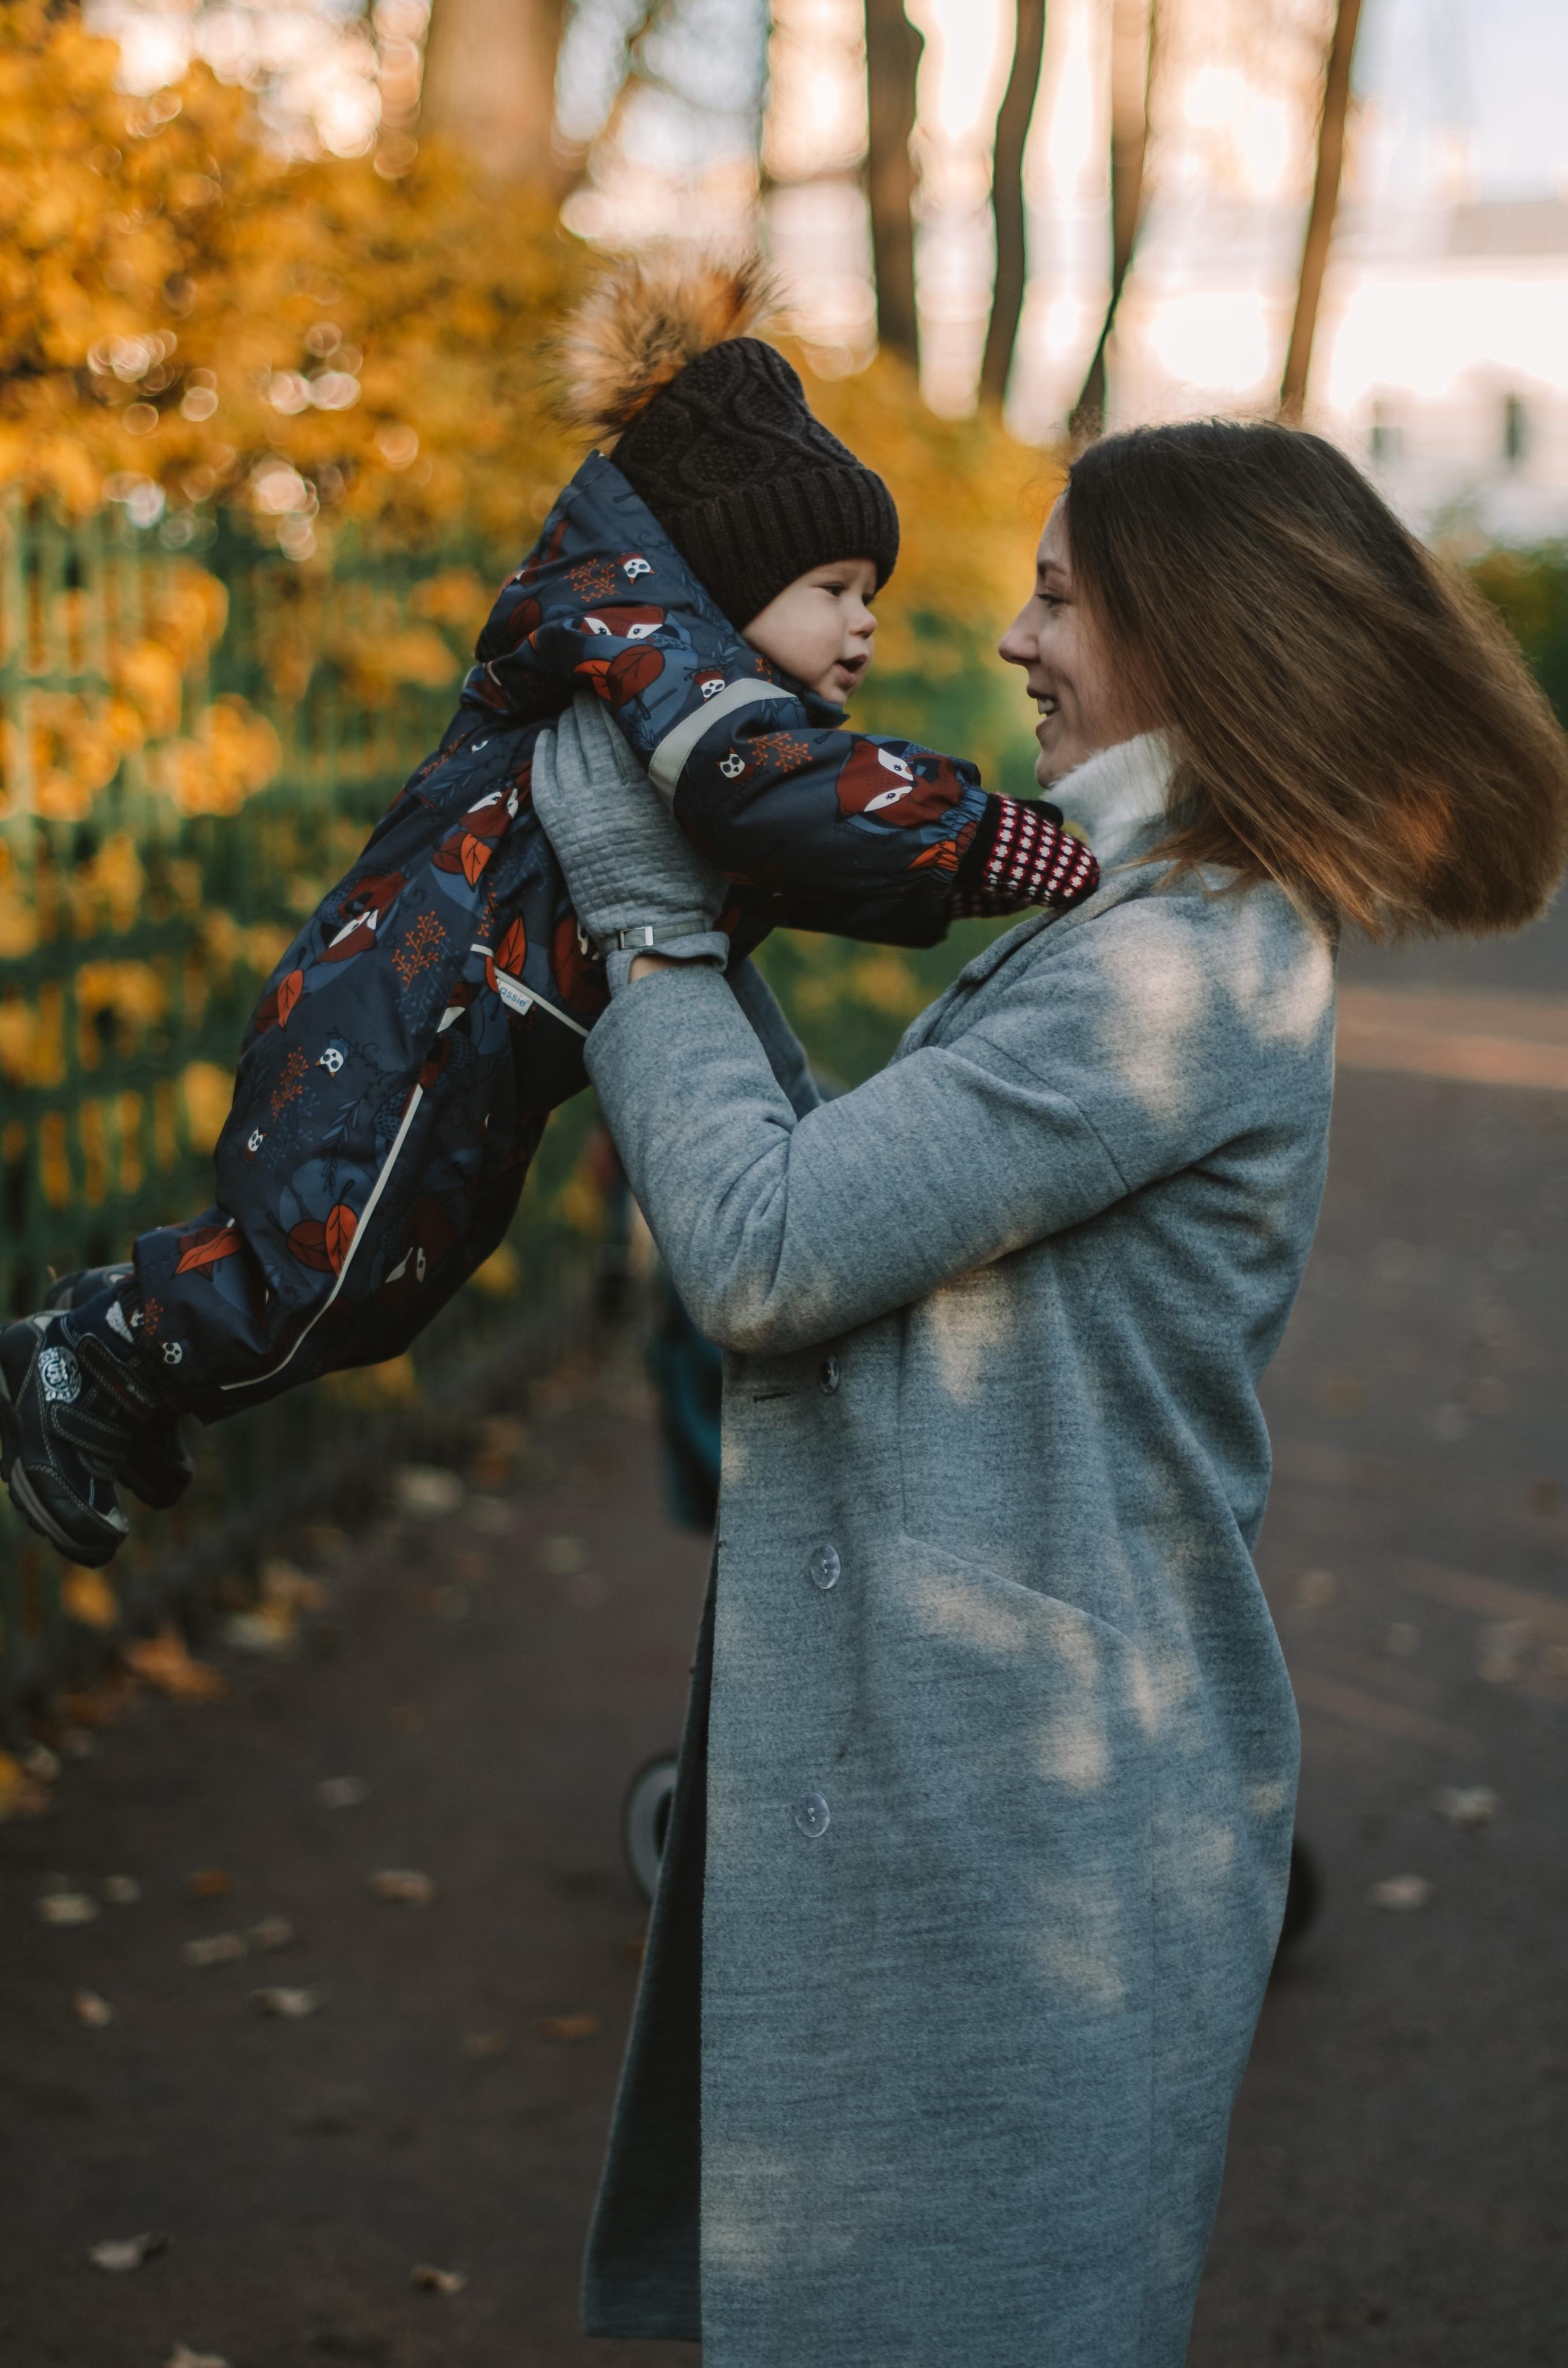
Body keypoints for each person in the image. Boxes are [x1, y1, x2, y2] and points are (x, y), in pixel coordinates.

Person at [524, 418, 1568, 2366]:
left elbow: (763, 1248)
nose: (1014, 639)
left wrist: (636, 899)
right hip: (995, 1774)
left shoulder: (1178, 970)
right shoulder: (1146, 921)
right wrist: (699, 924)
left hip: (1031, 1820)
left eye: (1061, 597)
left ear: (1198, 634)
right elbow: (855, 1200)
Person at [0, 255, 1096, 1569]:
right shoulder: (671, 681)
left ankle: (137, 1374)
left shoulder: (699, 707)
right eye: (834, 589)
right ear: (726, 574)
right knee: (327, 1265)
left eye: (871, 595)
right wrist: (986, 836)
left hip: (476, 1032)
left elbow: (807, 852)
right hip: (406, 1001)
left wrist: (954, 876)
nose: (864, 626)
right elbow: (777, 796)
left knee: (393, 1284)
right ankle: (90, 1360)